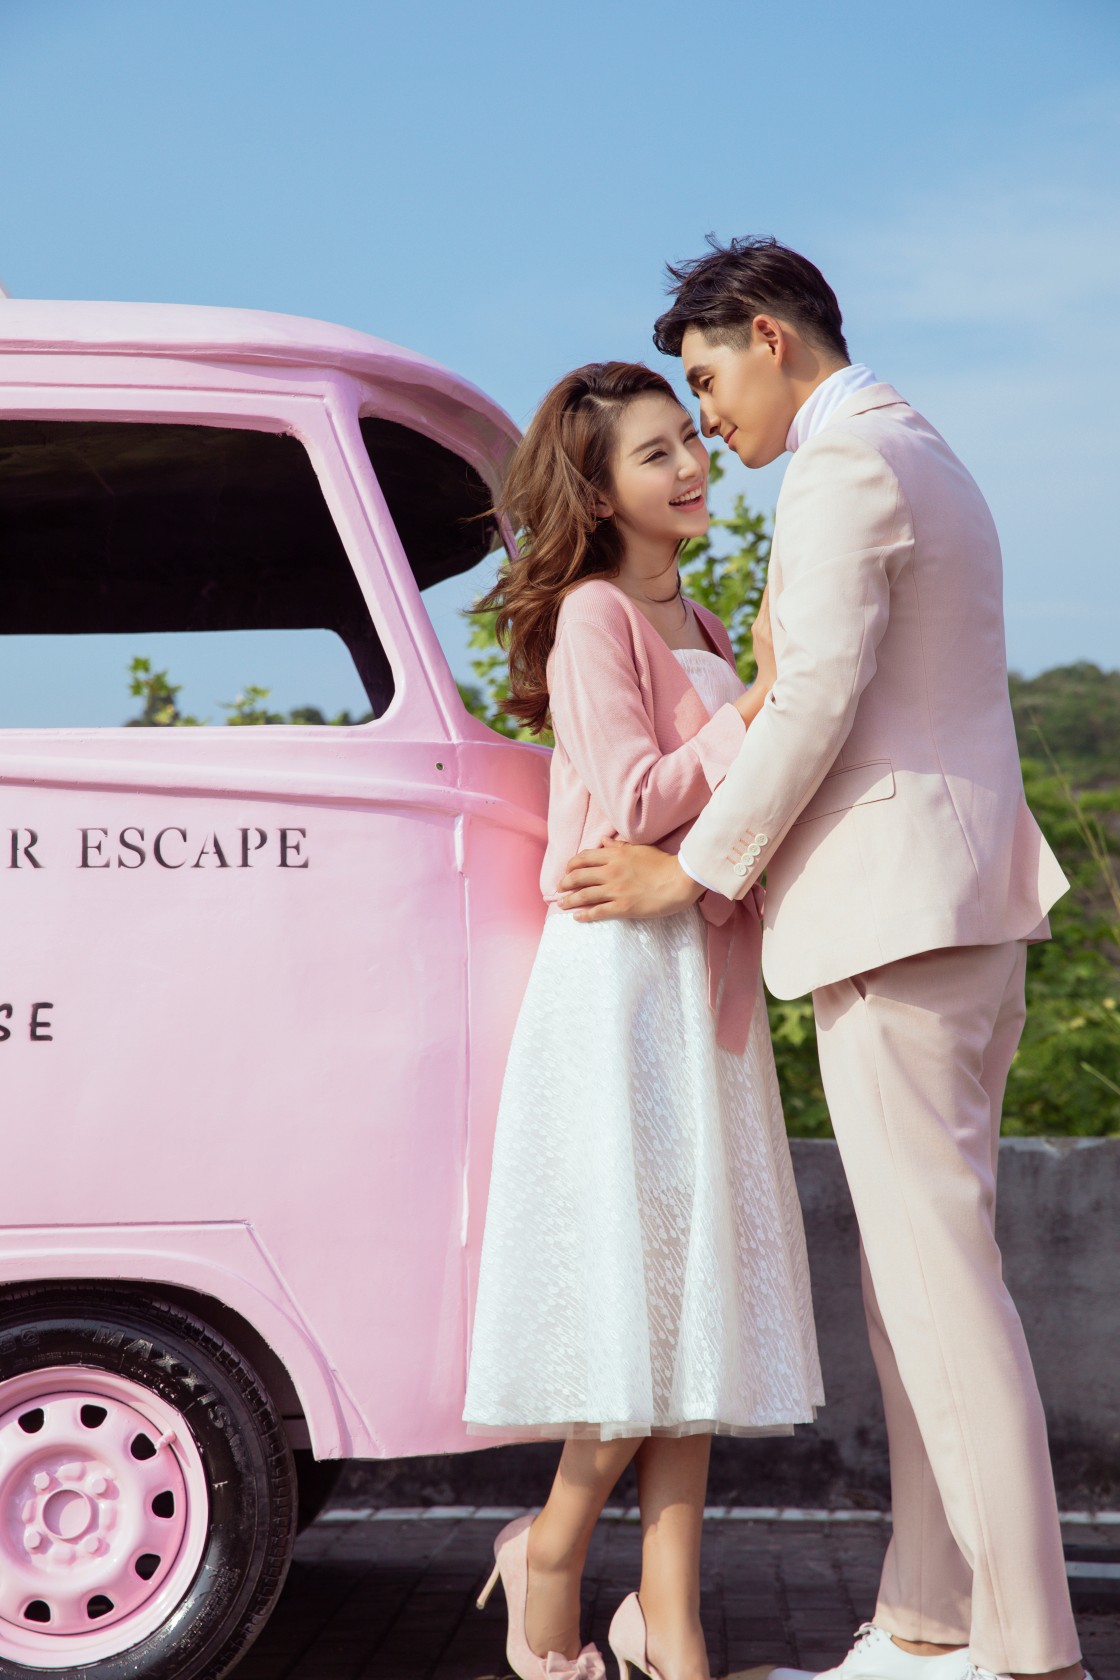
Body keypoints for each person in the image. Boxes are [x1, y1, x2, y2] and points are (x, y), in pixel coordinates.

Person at [557, 238, 1086, 1680]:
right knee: (917, 1291)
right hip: (955, 912)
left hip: (899, 919)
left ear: (770, 338)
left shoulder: (846, 465)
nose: (707, 416)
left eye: (708, 377)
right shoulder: (928, 448)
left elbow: (816, 701)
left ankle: (1030, 1653)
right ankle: (928, 1620)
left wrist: (694, 871)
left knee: (938, 1297)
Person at [463, 360, 823, 1680]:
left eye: (690, 439)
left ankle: (668, 1616)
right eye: (656, 452)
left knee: (692, 1308)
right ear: (599, 493)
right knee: (639, 1298)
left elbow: (732, 814)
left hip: (700, 978)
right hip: (618, 984)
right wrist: (756, 706)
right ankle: (553, 1555)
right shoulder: (593, 615)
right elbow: (631, 796)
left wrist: (748, 708)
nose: (690, 466)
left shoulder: (707, 623)